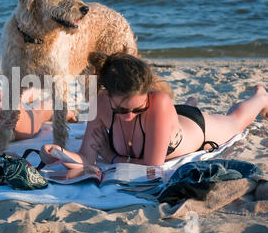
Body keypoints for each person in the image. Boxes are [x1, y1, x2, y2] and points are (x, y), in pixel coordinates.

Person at [41, 53, 268, 167]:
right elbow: (86, 157)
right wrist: (58, 152)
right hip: (167, 120)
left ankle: (260, 96)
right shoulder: (99, 103)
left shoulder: (157, 101)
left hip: (195, 129)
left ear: (147, 94)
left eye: (138, 110)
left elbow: (152, 167)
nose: (129, 117)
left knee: (237, 120)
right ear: (107, 94)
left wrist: (110, 156)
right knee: (173, 114)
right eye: (121, 111)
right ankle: (189, 103)